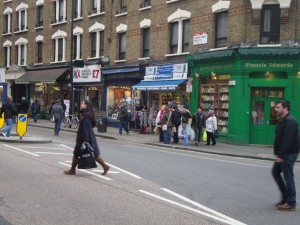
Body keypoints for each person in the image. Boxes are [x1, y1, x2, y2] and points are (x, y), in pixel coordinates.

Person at [64, 100, 110, 176]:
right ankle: (72, 169)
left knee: (92, 154)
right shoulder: (87, 114)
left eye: (82, 103)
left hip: (84, 138)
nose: (81, 104)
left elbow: (85, 128)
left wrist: (85, 140)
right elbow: (92, 125)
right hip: (87, 137)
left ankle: (105, 166)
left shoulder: (85, 115)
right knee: (78, 153)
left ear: (86, 106)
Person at [272, 100, 299, 211]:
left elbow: (287, 140)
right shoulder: (284, 120)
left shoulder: (290, 121)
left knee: (288, 178)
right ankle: (285, 198)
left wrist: (281, 155)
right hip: (283, 153)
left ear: (285, 108)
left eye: (278, 107)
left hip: (288, 154)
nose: (276, 109)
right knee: (275, 172)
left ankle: (291, 203)